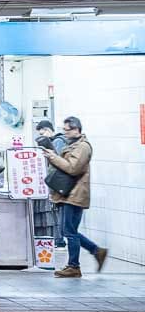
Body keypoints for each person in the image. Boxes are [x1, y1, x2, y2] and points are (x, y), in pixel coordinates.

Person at [42, 116, 108, 278]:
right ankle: (96, 251)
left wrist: (53, 157)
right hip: (69, 193)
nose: (65, 133)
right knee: (70, 231)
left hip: (75, 194)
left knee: (69, 232)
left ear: (76, 129)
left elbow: (73, 168)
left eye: (67, 130)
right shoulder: (72, 144)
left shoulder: (83, 147)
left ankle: (74, 266)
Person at [33, 119, 67, 251]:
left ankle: (60, 240)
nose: (42, 136)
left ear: (48, 130)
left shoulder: (58, 142)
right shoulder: (56, 141)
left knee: (58, 211)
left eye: (43, 133)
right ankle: (59, 239)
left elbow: (56, 161)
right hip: (57, 181)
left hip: (58, 182)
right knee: (57, 211)